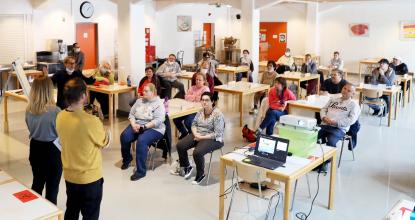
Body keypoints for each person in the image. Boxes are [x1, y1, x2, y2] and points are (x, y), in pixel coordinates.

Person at [56, 78, 110, 220]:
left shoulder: (60, 116)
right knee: (90, 215)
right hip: (90, 178)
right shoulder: (91, 121)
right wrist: (102, 123)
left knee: (72, 211)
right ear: (83, 96)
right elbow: (104, 142)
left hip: (70, 176)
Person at [25, 75, 62, 205]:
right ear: (49, 90)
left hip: (35, 148)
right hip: (52, 151)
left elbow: (30, 129)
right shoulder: (56, 111)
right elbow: (60, 134)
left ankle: (36, 212)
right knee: (52, 189)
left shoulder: (28, 110)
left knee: (37, 184)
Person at [174, 92, 225, 185]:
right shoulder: (200, 111)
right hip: (199, 134)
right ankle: (186, 166)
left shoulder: (218, 114)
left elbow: (218, 133)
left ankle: (201, 174)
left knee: (197, 152)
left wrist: (201, 137)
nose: (204, 102)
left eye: (207, 100)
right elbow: (193, 124)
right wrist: (195, 134)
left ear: (212, 101)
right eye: (203, 100)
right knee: (180, 145)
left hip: (214, 139)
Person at [120, 83, 166, 181]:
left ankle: (141, 171)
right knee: (124, 136)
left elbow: (158, 120)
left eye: (146, 91)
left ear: (152, 92)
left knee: (142, 140)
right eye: (143, 90)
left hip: (154, 128)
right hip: (137, 124)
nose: (143, 92)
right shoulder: (139, 101)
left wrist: (143, 127)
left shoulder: (158, 104)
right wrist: (133, 125)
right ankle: (127, 159)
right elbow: (131, 114)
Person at [317, 82, 360, 172]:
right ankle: (315, 160)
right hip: (325, 124)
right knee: (312, 137)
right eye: (344, 88)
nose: (345, 91)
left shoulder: (354, 105)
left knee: (331, 140)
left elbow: (351, 120)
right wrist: (324, 117)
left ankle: (326, 162)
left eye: (349, 91)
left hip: (339, 128)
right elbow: (323, 109)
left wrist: (335, 122)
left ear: (353, 94)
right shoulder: (333, 99)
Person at [174, 73, 210, 139]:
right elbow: (186, 97)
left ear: (204, 81)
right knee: (176, 119)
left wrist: (192, 97)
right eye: (196, 79)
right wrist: (196, 97)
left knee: (188, 121)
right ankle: (184, 132)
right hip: (188, 108)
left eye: (200, 80)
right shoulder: (192, 87)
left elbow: (203, 100)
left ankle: (193, 136)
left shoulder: (206, 88)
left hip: (199, 110)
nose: (197, 81)